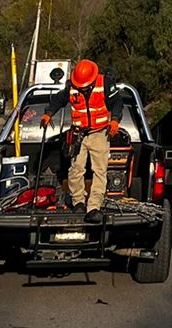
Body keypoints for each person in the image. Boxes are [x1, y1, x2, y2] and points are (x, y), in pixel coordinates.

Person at [41, 57, 121, 223]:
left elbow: (117, 103)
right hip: (79, 134)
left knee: (99, 171)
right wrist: (49, 113)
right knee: (76, 168)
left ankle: (94, 207)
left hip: (99, 133)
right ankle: (78, 202)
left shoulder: (105, 83)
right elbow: (59, 99)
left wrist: (115, 120)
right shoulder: (71, 86)